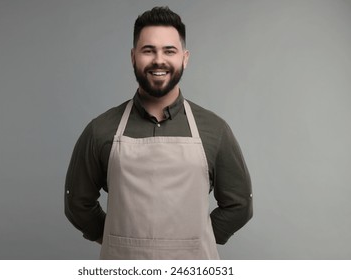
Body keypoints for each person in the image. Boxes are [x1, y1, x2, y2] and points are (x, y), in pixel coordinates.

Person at [65, 6, 253, 260]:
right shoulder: (101, 129)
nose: (158, 60)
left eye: (169, 51)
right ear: (133, 57)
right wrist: (117, 241)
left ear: (184, 58)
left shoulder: (215, 130)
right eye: (148, 50)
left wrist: (196, 242)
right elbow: (77, 202)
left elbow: (239, 204)